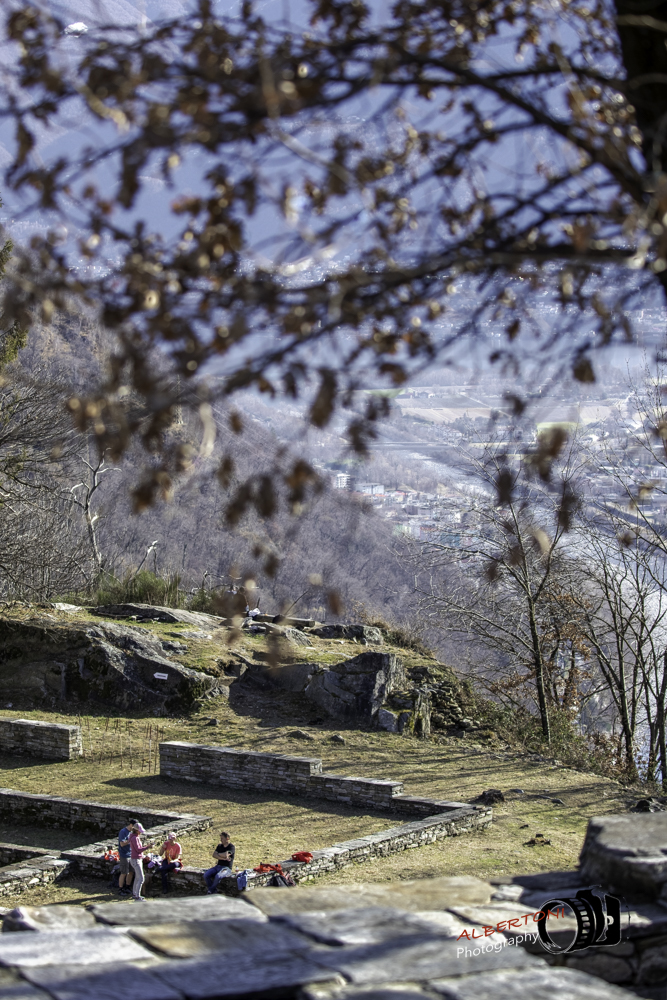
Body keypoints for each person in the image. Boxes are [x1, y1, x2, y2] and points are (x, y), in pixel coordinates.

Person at [129, 822, 154, 901]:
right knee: (141, 878)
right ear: (137, 830)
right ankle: (137, 896)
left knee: (137, 877)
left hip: (136, 859)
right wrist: (148, 847)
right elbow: (138, 850)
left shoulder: (133, 837)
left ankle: (135, 893)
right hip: (136, 860)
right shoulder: (135, 838)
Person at [117, 818, 137, 896]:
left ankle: (127, 887)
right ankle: (120, 889)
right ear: (131, 825)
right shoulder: (123, 832)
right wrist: (130, 840)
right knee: (124, 872)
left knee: (131, 872)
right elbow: (122, 844)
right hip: (124, 855)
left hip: (131, 854)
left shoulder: (132, 832)